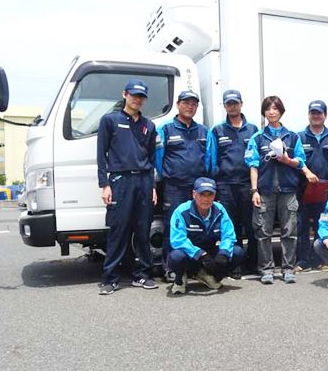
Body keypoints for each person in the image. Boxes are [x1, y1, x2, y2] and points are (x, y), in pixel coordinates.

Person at [96, 79, 159, 295]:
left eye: (141, 97)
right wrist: (104, 184)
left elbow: (151, 158)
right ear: (125, 94)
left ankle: (143, 275)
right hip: (120, 181)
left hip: (144, 181)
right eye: (133, 95)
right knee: (118, 230)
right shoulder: (110, 120)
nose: (137, 100)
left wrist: (152, 186)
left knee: (142, 231)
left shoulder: (149, 125)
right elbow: (101, 155)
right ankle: (110, 279)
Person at [245, 95, 313, 284]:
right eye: (268, 109)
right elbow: (253, 165)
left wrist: (287, 160)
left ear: (281, 111)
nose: (271, 112)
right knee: (263, 232)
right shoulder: (257, 138)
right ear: (264, 113)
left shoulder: (292, 136)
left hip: (288, 191)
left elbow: (300, 161)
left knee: (289, 231)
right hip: (265, 191)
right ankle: (266, 269)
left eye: (275, 108)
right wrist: (254, 191)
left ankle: (288, 268)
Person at [155, 90, 210, 279]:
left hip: (197, 188)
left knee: (198, 228)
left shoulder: (203, 131)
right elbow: (158, 158)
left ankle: (195, 268)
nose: (190, 107)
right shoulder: (165, 129)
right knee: (174, 227)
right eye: (186, 103)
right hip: (174, 187)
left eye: (194, 104)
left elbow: (208, 158)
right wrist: (168, 175)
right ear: (178, 104)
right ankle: (171, 268)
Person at [208, 89, 259, 274]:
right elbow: (212, 159)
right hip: (226, 185)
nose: (232, 107)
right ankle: (235, 264)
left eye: (235, 103)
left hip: (247, 185)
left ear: (241, 104)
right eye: (229, 104)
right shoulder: (217, 130)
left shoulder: (253, 130)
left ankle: (253, 264)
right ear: (224, 106)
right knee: (231, 226)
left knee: (252, 226)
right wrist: (216, 183)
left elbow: (257, 158)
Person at [168, 177, 244, 294]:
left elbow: (229, 235)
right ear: (194, 194)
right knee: (176, 257)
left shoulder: (220, 210)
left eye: (210, 195)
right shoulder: (181, 211)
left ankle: (212, 277)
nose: (206, 199)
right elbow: (177, 240)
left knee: (237, 252)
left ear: (215, 195)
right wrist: (200, 254)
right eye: (202, 194)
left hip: (210, 252)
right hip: (190, 254)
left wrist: (223, 253)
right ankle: (180, 280)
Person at [296, 99, 328, 271]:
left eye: (319, 113)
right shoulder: (299, 136)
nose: (316, 116)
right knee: (301, 226)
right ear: (309, 115)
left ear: (325, 115)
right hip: (303, 189)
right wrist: (307, 173)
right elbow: (298, 159)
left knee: (322, 224)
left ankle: (321, 260)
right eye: (313, 113)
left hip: (325, 190)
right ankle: (303, 261)